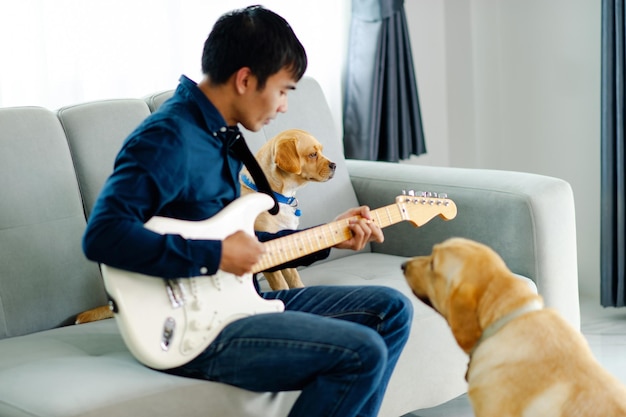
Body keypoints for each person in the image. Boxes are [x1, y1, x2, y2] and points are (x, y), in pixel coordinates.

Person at [82, 5, 413, 417]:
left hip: (242, 302)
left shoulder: (223, 139)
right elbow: (103, 235)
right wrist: (217, 256)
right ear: (245, 79)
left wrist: (331, 236)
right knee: (361, 351)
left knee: (392, 310)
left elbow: (246, 245)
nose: (284, 106)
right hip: (194, 330)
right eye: (284, 90)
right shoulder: (167, 139)